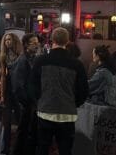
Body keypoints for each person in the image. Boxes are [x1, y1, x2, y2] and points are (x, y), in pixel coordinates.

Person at [31, 27, 89, 155]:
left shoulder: (40, 60)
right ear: (67, 41)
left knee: (42, 147)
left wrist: (39, 101)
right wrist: (74, 103)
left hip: (45, 110)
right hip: (67, 113)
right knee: (65, 149)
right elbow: (84, 90)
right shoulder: (76, 64)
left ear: (52, 40)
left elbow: (33, 86)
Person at [11, 33, 40, 155]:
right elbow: (18, 86)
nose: (37, 45)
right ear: (26, 45)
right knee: (23, 132)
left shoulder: (32, 58)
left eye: (37, 42)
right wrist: (27, 102)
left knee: (28, 131)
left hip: (30, 103)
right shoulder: (23, 60)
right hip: (26, 104)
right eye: (34, 43)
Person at [0, 33, 23, 155]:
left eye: (10, 39)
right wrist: (2, 94)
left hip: (19, 92)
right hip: (8, 91)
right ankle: (3, 151)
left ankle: (19, 149)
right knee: (5, 123)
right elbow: (3, 76)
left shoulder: (21, 55)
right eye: (6, 40)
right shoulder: (3, 56)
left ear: (14, 41)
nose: (7, 42)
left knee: (21, 122)